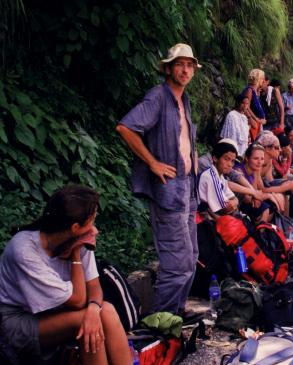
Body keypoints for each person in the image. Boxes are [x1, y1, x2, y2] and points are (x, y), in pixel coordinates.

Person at [116, 43, 201, 319]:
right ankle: (160, 321)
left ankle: (176, 312)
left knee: (190, 257)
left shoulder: (183, 99)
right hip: (170, 190)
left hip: (188, 186)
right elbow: (126, 127)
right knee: (177, 263)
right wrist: (152, 163)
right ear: (168, 68)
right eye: (180, 64)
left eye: (189, 65)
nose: (185, 69)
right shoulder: (158, 97)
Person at [0, 185, 131, 365]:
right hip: (17, 321)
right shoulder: (24, 251)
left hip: (53, 311)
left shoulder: (78, 236)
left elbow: (94, 287)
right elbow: (77, 301)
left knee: (105, 310)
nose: (96, 230)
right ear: (76, 227)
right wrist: (76, 254)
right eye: (92, 221)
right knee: (83, 322)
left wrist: (94, 309)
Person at [198, 141, 239, 217]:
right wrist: (234, 203)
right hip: (204, 215)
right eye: (226, 159)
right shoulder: (210, 176)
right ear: (215, 158)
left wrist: (235, 201)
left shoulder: (220, 176)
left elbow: (232, 197)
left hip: (214, 212)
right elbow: (225, 208)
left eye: (232, 161)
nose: (230, 164)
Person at [241, 69, 267, 141]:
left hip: (257, 125)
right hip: (252, 124)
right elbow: (246, 107)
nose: (264, 81)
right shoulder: (250, 90)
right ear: (258, 79)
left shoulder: (255, 91)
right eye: (262, 78)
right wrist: (256, 119)